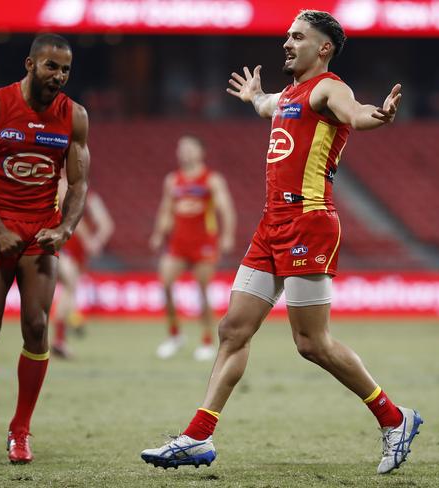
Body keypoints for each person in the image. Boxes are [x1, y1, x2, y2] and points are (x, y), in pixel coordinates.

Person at [141, 10, 422, 475]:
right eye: (286, 36)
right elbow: (268, 106)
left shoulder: (329, 88)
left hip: (309, 222)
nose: (286, 43)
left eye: (297, 37)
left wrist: (381, 115)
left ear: (323, 48)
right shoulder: (289, 95)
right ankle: (197, 436)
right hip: (271, 224)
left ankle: (395, 419)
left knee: (311, 343)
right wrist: (254, 96)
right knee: (233, 329)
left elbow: (357, 113)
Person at [0, 33, 90, 464]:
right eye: (52, 66)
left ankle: (21, 432)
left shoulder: (74, 117)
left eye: (66, 69)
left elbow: (79, 183)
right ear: (30, 64)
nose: (60, 76)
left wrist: (66, 228)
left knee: (36, 325)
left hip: (40, 234)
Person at [149, 135, 236, 361]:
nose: (185, 152)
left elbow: (226, 209)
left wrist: (227, 236)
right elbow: (166, 210)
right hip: (178, 243)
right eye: (181, 148)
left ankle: (207, 340)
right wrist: (159, 234)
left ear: (201, 152)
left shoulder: (212, 179)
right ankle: (175, 335)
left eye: (189, 148)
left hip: (204, 243)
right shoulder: (172, 180)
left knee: (202, 291)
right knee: (165, 284)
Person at [51, 186, 114, 359]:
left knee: (69, 289)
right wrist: (91, 241)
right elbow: (75, 219)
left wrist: (96, 242)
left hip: (77, 254)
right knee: (69, 286)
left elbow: (106, 224)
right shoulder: (69, 189)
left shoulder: (85, 194)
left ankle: (72, 323)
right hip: (62, 248)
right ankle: (60, 339)